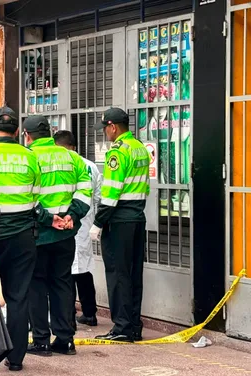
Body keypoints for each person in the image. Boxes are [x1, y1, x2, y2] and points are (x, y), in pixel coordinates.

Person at [0, 106, 39, 371]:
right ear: (16, 133)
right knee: (18, 297)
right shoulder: (29, 156)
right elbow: (36, 198)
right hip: (22, 236)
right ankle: (15, 359)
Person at [23, 116, 92, 357]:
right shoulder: (72, 157)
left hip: (39, 234)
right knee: (63, 283)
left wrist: (46, 218)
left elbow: (26, 196)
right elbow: (86, 190)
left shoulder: (28, 157)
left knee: (37, 285)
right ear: (51, 134)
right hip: (66, 233)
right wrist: (72, 215)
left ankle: (41, 340)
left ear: (27, 136)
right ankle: (65, 339)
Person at [90, 108, 150, 342]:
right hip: (137, 218)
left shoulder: (118, 151)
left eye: (105, 128)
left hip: (119, 220)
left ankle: (122, 327)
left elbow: (111, 192)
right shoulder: (140, 148)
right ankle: (134, 324)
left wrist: (98, 222)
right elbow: (143, 188)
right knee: (134, 273)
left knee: (117, 273)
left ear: (113, 126)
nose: (105, 133)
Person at [53, 130, 102, 328]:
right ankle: (90, 313)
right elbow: (98, 197)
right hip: (85, 221)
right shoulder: (91, 166)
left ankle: (69, 315)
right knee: (83, 268)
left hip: (64, 222)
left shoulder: (61, 165)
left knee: (68, 271)